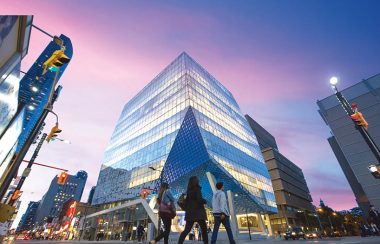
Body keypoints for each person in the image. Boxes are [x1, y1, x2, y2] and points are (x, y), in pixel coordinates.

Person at [178, 176, 209, 244]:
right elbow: (199, 199)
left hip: (190, 213)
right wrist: (205, 201)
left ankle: (179, 242)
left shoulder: (188, 191)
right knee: (204, 230)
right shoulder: (197, 189)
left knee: (186, 230)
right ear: (196, 181)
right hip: (198, 213)